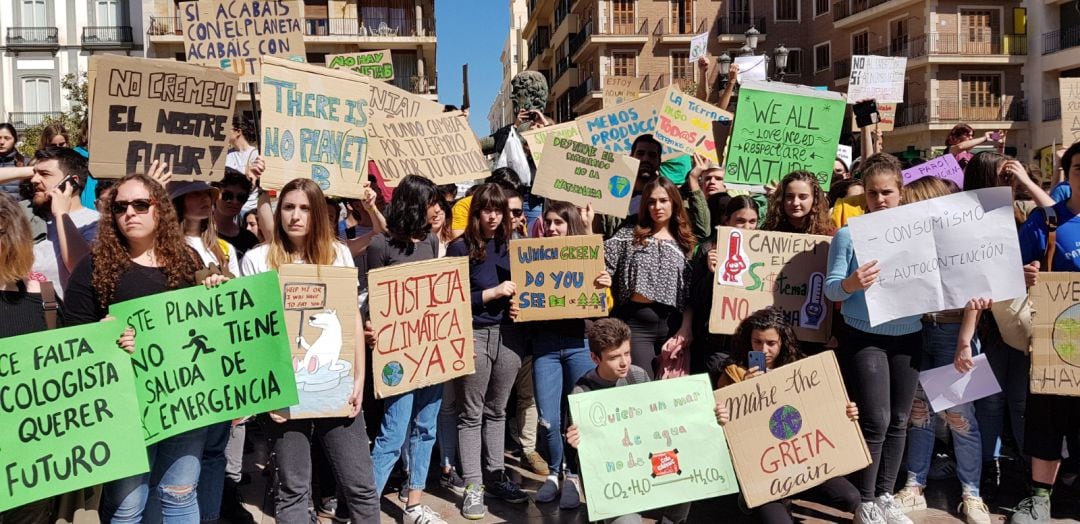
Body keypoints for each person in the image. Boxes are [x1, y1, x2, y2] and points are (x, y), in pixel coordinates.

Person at [63, 173, 224, 523]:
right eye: (120, 207)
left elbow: (210, 330)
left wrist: (215, 292)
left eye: (140, 204)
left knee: (180, 495)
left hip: (184, 401)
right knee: (127, 504)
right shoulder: (94, 267)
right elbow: (70, 335)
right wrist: (102, 337)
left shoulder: (188, 262)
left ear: (160, 210)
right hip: (124, 409)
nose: (129, 213)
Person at [239, 178, 379, 523]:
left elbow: (350, 323)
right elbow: (253, 336)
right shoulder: (257, 260)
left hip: (336, 385)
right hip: (283, 392)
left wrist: (358, 380)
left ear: (317, 213)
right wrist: (267, 396)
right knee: (293, 490)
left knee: (360, 486)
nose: (295, 216)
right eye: (288, 207)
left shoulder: (339, 253)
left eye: (304, 208)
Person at [824, 153, 921, 524]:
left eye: (887, 193)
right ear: (864, 196)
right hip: (865, 337)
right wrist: (852, 284)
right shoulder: (848, 236)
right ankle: (864, 500)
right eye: (874, 193)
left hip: (910, 335)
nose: (881, 199)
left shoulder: (917, 237)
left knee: (899, 419)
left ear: (900, 193)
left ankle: (886, 496)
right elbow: (832, 290)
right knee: (876, 420)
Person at [887, 177, 990, 524]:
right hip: (918, 331)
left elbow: (975, 295)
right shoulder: (910, 243)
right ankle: (914, 486)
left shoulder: (962, 242)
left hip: (951, 333)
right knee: (919, 412)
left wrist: (965, 340)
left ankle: (972, 495)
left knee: (960, 417)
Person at [714, 307, 862, 524]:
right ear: (749, 341)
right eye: (757, 342)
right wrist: (731, 405)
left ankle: (793, 491)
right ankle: (751, 498)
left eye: (771, 343)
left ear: (783, 342)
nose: (764, 349)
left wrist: (846, 412)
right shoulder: (733, 373)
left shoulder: (798, 371)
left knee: (850, 497)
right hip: (762, 470)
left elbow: (822, 411)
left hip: (800, 460)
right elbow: (725, 429)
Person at [359, 175, 447, 524]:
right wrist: (370, 326)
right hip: (397, 356)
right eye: (431, 203)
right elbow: (372, 299)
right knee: (393, 434)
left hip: (433, 353)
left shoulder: (431, 241)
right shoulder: (381, 245)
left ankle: (413, 503)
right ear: (415, 205)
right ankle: (365, 510)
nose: (437, 210)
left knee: (426, 428)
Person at [445, 183, 529, 519]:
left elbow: (532, 290)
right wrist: (491, 294)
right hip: (474, 336)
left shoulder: (515, 246)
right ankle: (473, 486)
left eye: (500, 210)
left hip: (509, 338)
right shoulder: (458, 248)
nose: (494, 216)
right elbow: (451, 299)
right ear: (476, 211)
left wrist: (523, 304)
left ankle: (496, 476)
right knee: (471, 413)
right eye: (487, 210)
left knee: (498, 411)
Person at [1008, 141, 1080, 524]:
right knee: (1047, 417)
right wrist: (1026, 276)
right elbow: (1011, 273)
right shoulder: (1046, 220)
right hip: (1057, 337)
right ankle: (1039, 499)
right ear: (1068, 175)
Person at [565, 318, 692, 524]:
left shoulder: (637, 376)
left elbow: (656, 421)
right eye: (614, 357)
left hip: (642, 461)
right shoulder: (582, 393)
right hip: (611, 476)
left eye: (627, 353)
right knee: (628, 521)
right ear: (595, 358)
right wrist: (577, 442)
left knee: (688, 478)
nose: (624, 362)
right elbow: (589, 453)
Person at [531, 200, 612, 506]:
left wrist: (604, 284)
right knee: (548, 418)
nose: (552, 228)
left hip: (580, 343)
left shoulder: (587, 254)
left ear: (570, 225)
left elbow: (606, 304)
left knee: (577, 416)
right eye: (548, 222)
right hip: (546, 346)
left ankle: (574, 477)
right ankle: (554, 474)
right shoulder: (533, 258)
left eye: (559, 223)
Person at [605, 176, 695, 379]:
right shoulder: (629, 235)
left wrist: (685, 328)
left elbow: (690, 295)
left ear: (674, 202)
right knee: (641, 385)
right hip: (637, 326)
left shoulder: (685, 243)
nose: (657, 206)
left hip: (672, 326)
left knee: (668, 391)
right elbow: (599, 261)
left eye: (663, 200)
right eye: (651, 202)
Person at [689, 195, 759, 385]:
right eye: (740, 221)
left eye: (752, 221)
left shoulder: (765, 253)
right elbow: (695, 299)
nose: (747, 227)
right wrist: (711, 273)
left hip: (752, 342)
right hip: (717, 345)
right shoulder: (708, 250)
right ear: (726, 221)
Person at [28, 147, 98, 298]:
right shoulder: (27, 214)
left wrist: (61, 215)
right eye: (34, 173)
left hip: (65, 318)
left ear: (71, 182)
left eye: (45, 174)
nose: (33, 180)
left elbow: (80, 269)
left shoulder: (95, 222)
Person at [763, 170, 835, 236]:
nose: (795, 203)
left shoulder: (830, 235)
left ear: (815, 199)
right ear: (782, 198)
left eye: (803, 197)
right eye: (789, 196)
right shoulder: (767, 231)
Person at [212, 168, 261, 260]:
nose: (235, 201)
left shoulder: (249, 239)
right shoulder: (200, 233)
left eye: (241, 197)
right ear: (214, 195)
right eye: (227, 196)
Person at [225, 117, 260, 216]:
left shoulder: (255, 154)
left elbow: (251, 185)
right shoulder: (226, 154)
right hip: (229, 210)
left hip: (247, 210)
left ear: (238, 132)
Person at [0, 123, 32, 200]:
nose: (1, 142)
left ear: (15, 140)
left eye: (7, 138)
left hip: (18, 210)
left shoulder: (26, 163)